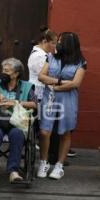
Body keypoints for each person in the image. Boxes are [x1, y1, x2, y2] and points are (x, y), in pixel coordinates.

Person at [0, 58, 37, 183]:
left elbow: (34, 104)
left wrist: (15, 103)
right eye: (3, 70)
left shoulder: (27, 87)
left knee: (17, 134)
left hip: (17, 122)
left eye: (7, 71)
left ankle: (13, 172)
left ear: (16, 74)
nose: (3, 73)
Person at [37, 32, 86, 180]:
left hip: (68, 100)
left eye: (60, 40)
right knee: (45, 131)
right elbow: (41, 76)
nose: (57, 42)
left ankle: (59, 165)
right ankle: (43, 162)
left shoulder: (80, 62)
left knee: (65, 132)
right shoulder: (51, 57)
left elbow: (76, 83)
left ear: (68, 44)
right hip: (49, 98)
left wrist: (55, 85)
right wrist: (60, 82)